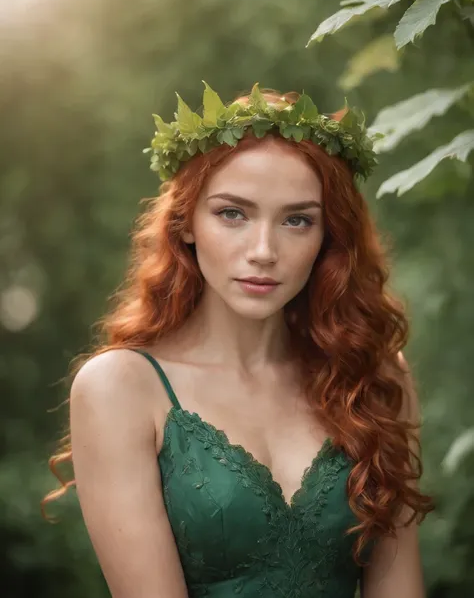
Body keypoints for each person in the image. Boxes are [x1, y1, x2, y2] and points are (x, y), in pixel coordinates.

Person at [41, 83, 434, 598]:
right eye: (233, 213)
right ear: (185, 225)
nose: (264, 250)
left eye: (297, 220)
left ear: (327, 237)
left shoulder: (375, 375)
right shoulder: (121, 388)